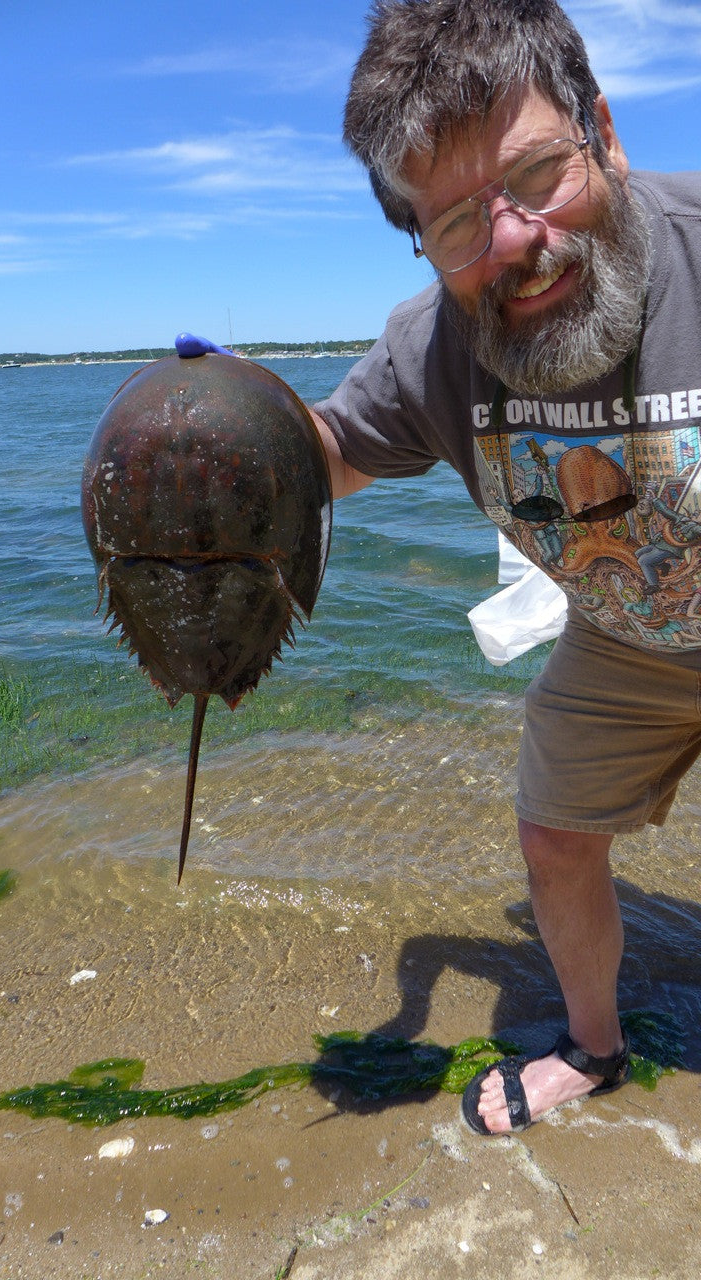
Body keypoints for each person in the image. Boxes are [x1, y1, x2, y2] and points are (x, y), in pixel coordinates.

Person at [180, 0, 701, 1135]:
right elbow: (324, 454)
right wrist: (222, 418)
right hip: (630, 632)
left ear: (603, 131)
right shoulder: (432, 349)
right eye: (458, 220)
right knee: (556, 834)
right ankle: (595, 1045)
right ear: (418, 237)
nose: (513, 238)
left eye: (539, 173)